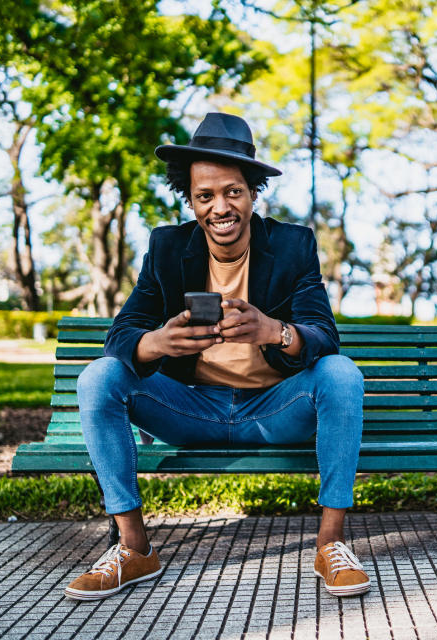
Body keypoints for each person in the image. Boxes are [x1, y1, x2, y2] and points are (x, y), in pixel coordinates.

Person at [63, 112, 369, 601]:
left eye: (233, 192)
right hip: (190, 408)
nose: (220, 207)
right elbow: (120, 333)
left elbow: (324, 335)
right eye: (205, 196)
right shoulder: (167, 247)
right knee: (99, 377)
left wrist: (275, 330)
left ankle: (331, 544)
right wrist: (155, 343)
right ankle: (135, 547)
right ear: (191, 201)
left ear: (252, 193)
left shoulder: (293, 245)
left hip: (274, 410)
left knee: (340, 373)